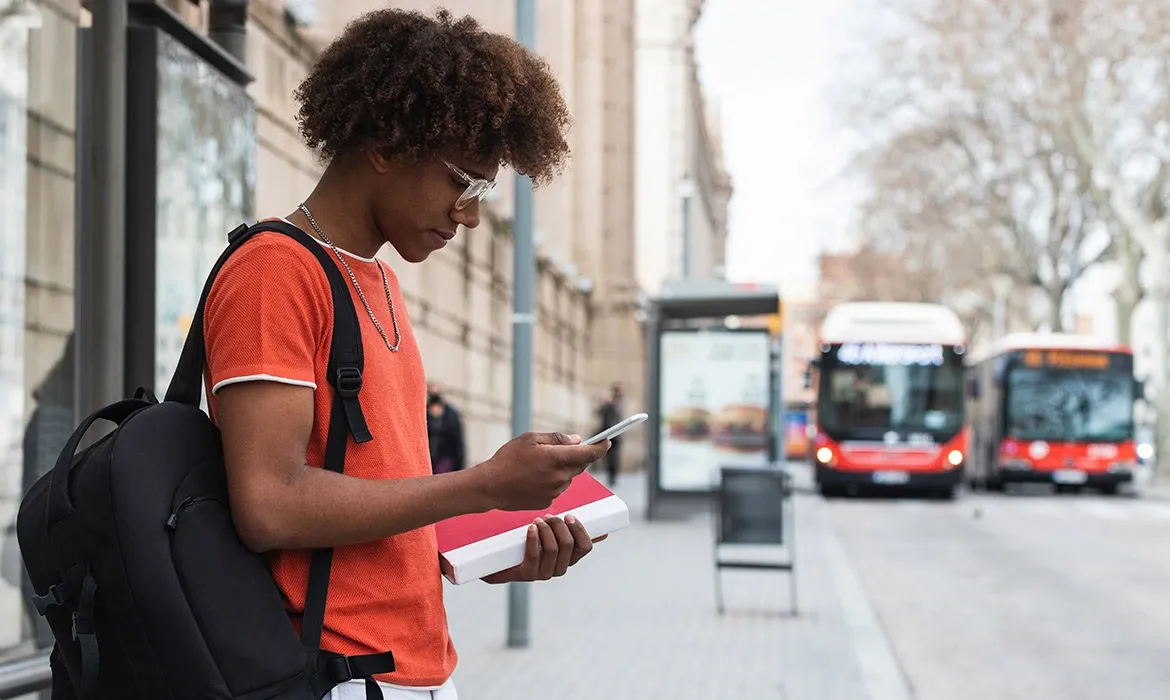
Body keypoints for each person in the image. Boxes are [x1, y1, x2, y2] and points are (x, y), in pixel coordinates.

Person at [201, 9, 610, 700]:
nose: (471, 215)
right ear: (387, 144)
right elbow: (269, 505)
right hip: (332, 674)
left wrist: (497, 546)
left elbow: (374, 500)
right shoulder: (275, 271)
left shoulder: (382, 283)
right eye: (463, 181)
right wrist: (482, 483)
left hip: (416, 672)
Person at [427, 382, 466, 474]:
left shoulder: (451, 414)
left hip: (445, 460)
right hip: (430, 459)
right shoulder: (424, 413)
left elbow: (457, 440)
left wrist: (459, 464)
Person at [597, 384, 624, 486]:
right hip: (606, 431)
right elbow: (599, 412)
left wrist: (611, 403)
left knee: (614, 456)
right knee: (607, 455)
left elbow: (618, 412)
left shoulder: (619, 403)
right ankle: (609, 475)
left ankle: (613, 476)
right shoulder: (607, 403)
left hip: (616, 434)